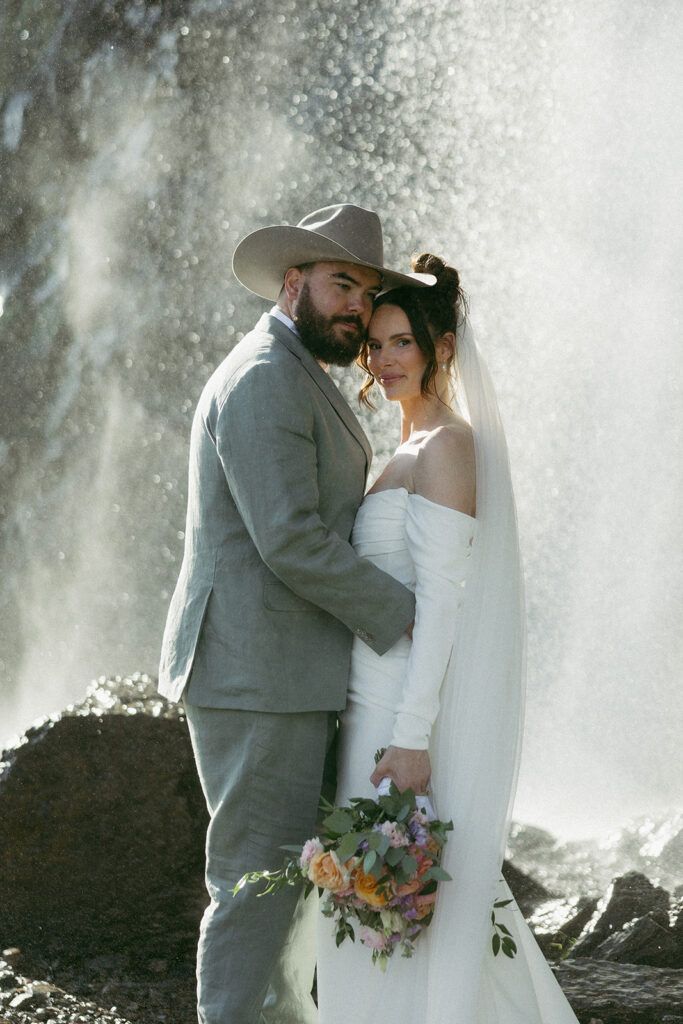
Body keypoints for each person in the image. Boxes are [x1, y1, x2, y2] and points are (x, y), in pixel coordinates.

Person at [157, 203, 434, 1024]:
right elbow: (290, 539)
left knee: (289, 887)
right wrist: (410, 616)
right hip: (255, 674)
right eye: (339, 283)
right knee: (253, 884)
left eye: (366, 290)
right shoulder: (263, 377)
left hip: (285, 668)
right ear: (292, 284)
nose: (356, 305)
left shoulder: (294, 368)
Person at [316, 254, 580, 1023]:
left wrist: (410, 737)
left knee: (398, 911)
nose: (382, 358)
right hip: (368, 706)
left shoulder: (448, 448)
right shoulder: (403, 448)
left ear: (441, 350)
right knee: (375, 911)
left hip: (399, 719)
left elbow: (442, 608)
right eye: (375, 343)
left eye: (401, 342)